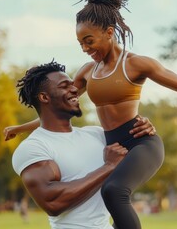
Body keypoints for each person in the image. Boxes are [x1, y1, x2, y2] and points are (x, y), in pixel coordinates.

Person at [5, 0, 177, 228]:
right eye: (80, 43)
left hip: (140, 140)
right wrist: (21, 128)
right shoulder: (88, 71)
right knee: (111, 192)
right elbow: (55, 110)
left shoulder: (136, 64)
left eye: (89, 41)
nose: (84, 48)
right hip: (110, 142)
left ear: (109, 33)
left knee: (114, 191)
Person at [11, 61, 156, 228]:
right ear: (44, 97)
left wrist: (144, 128)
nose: (74, 90)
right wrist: (108, 166)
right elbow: (53, 203)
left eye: (72, 85)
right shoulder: (34, 147)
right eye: (64, 86)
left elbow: (139, 159)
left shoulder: (97, 134)